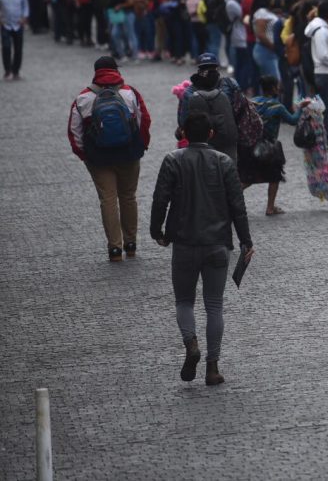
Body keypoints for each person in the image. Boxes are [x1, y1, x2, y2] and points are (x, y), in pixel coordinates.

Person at [151, 111, 254, 387]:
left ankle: (191, 343)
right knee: (214, 306)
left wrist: (157, 232)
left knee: (184, 301)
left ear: (183, 132)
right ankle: (213, 367)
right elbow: (237, 206)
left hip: (184, 243)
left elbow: (160, 198)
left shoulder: (173, 160)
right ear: (211, 134)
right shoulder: (224, 162)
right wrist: (246, 240)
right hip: (218, 244)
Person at [68, 56, 151, 261]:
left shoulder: (83, 98)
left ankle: (115, 249)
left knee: (108, 200)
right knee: (128, 196)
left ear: (96, 73)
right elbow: (144, 121)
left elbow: (74, 131)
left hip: (98, 157)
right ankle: (131, 244)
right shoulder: (130, 93)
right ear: (116, 70)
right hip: (128, 154)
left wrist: (84, 155)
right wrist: (141, 146)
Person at [241, 76, 311, 215]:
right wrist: (300, 108)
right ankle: (270, 207)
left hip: (251, 145)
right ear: (273, 88)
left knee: (248, 178)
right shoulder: (277, 107)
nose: (279, 88)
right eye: (277, 85)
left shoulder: (254, 101)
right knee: (274, 177)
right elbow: (292, 120)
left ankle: (227, 200)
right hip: (270, 148)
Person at [177, 55, 240, 162]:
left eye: (210, 68)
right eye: (206, 69)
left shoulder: (190, 93)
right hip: (228, 143)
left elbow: (183, 122)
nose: (208, 72)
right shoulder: (230, 84)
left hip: (202, 146)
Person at [305, 0, 328, 149]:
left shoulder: (318, 27)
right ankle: (324, 138)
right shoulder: (321, 30)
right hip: (325, 72)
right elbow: (323, 54)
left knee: (324, 107)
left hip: (321, 71)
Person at [1, 0, 29, 80]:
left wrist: (24, 17)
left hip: (18, 24)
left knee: (18, 48)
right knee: (6, 47)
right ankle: (7, 71)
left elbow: (25, 7)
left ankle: (16, 70)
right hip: (6, 24)